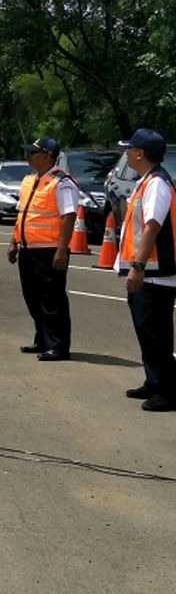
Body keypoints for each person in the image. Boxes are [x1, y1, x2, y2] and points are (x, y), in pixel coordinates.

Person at [116, 128, 176, 411]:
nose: (126, 153)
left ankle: (167, 390)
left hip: (155, 274)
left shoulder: (157, 184)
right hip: (149, 272)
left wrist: (138, 266)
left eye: (129, 149)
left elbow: (153, 226)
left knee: (156, 333)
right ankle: (154, 382)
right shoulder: (147, 181)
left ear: (140, 153)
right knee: (147, 330)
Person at [7, 137, 78, 361]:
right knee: (32, 297)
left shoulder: (62, 182)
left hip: (49, 250)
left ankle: (58, 346)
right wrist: (13, 241)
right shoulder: (29, 180)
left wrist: (61, 249)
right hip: (28, 249)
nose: (28, 157)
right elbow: (22, 214)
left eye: (33, 153)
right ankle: (43, 339)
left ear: (47, 157)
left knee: (52, 299)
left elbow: (69, 216)